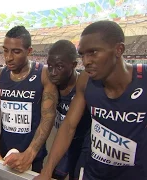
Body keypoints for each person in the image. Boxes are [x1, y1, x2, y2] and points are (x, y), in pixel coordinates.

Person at [34, 20, 147, 180]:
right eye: (82, 55)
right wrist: (46, 172)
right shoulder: (86, 80)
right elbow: (68, 127)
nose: (86, 61)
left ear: (119, 49)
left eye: (93, 52)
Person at [0, 26, 58, 174]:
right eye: (5, 50)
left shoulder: (43, 74)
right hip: (4, 154)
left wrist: (30, 153)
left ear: (29, 51)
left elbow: (48, 116)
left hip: (32, 158)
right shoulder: (0, 75)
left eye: (16, 51)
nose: (8, 57)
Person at [47, 40, 92, 180]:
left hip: (83, 148)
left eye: (59, 67)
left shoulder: (84, 87)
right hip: (62, 144)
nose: (53, 72)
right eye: (50, 66)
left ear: (73, 65)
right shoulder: (50, 85)